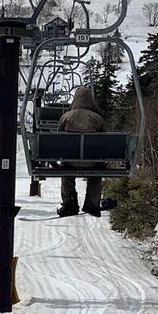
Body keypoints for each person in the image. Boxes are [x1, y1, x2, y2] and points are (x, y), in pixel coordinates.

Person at [57, 85, 104, 218]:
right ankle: (92, 203)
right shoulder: (98, 118)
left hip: (70, 160)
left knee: (67, 174)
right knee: (95, 177)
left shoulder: (66, 117)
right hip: (92, 161)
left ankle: (69, 203)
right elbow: (104, 141)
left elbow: (58, 138)